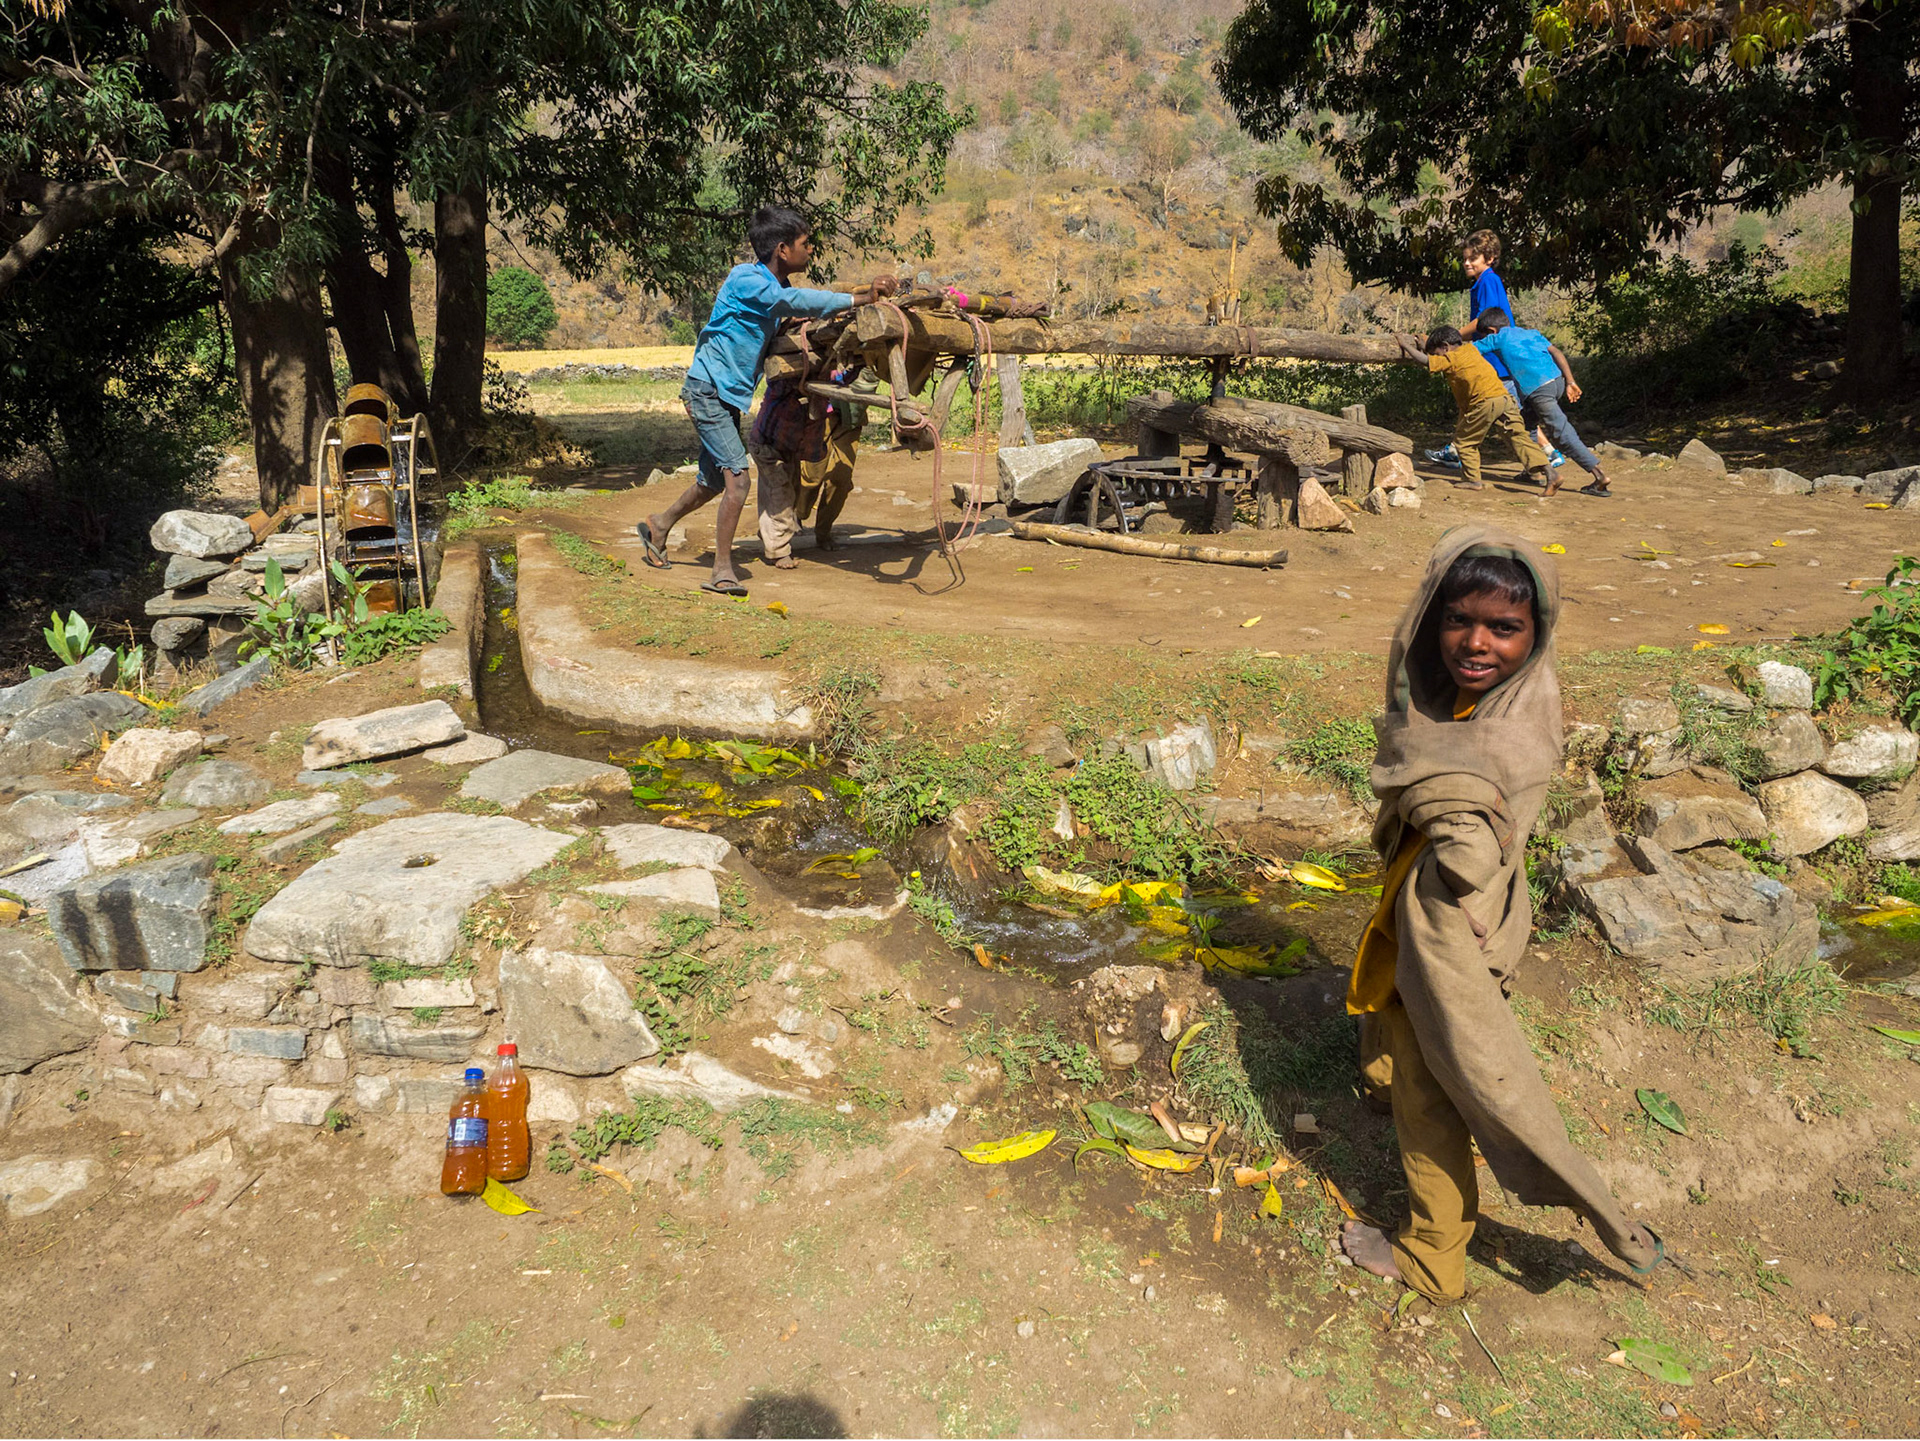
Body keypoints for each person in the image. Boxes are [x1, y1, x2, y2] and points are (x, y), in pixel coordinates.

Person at [1343, 525, 1664, 1302]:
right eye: (1458, 619)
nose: (1475, 642)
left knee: (1440, 1093)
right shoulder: (1475, 696)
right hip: (1435, 909)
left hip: (1454, 932)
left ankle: (1431, 1255)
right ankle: (1386, 1071)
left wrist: (1443, 819)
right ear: (1431, 615)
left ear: (1538, 630)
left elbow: (1471, 848)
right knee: (1406, 1038)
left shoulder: (1511, 731)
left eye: (1504, 627)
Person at [637, 206, 897, 596]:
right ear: (782, 249)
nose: (810, 250)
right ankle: (722, 572)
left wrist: (865, 295)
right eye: (805, 244)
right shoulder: (747, 281)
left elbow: (798, 304)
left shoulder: (776, 289)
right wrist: (857, 300)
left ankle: (660, 524)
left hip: (726, 397)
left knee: (711, 481)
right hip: (706, 390)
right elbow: (795, 305)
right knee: (737, 482)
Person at [1426, 230, 1562, 470]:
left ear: (1489, 259)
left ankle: (1546, 454)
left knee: (1509, 415)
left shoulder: (1489, 280)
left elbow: (1482, 321)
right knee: (1482, 405)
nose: (1467, 262)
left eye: (1473, 258)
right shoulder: (1483, 282)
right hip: (1493, 358)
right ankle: (1455, 450)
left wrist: (1453, 338)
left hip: (1496, 360)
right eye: (1465, 258)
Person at [1472, 310, 1613, 499]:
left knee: (1561, 432)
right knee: (1526, 426)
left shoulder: (1496, 338)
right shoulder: (1531, 333)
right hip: (1557, 382)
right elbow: (1557, 353)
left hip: (1538, 389)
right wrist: (1571, 381)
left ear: (1491, 330)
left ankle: (1599, 476)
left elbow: (1467, 352)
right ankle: (1532, 470)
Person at [1398, 326, 1550, 491]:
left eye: (1437, 353)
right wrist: (1424, 347)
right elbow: (1433, 359)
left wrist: (1406, 346)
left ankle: (1472, 480)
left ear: (1445, 347)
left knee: (1464, 442)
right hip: (1505, 399)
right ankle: (1548, 473)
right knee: (1519, 437)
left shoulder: (1453, 358)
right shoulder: (1470, 350)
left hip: (1485, 402)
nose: (1437, 358)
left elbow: (1427, 362)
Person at [745, 370, 826, 570]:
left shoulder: (823, 381)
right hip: (768, 445)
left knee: (789, 493)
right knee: (779, 495)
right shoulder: (783, 382)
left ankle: (769, 534)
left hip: (789, 447)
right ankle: (778, 551)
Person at [796, 363, 878, 551]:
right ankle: (798, 513)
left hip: (851, 419)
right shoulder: (827, 345)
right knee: (811, 476)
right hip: (820, 414)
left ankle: (823, 532)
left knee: (841, 478)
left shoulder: (871, 354)